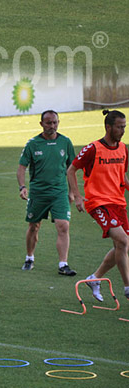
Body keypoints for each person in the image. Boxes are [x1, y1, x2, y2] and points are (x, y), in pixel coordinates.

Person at [67, 109, 128, 303]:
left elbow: (122, 176)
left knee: (124, 245)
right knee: (123, 241)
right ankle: (127, 287)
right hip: (98, 203)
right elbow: (71, 170)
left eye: (124, 127)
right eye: (119, 127)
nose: (123, 131)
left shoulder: (123, 148)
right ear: (108, 127)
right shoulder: (92, 148)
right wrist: (77, 196)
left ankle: (94, 278)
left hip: (118, 202)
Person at [17, 110, 76, 276]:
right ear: (41, 124)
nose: (52, 126)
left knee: (63, 226)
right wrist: (22, 187)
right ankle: (29, 257)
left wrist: (72, 192)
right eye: (49, 123)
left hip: (59, 192)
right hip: (38, 193)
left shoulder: (65, 142)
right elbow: (22, 167)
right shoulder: (33, 144)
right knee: (34, 227)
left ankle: (63, 264)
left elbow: (72, 168)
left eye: (55, 122)